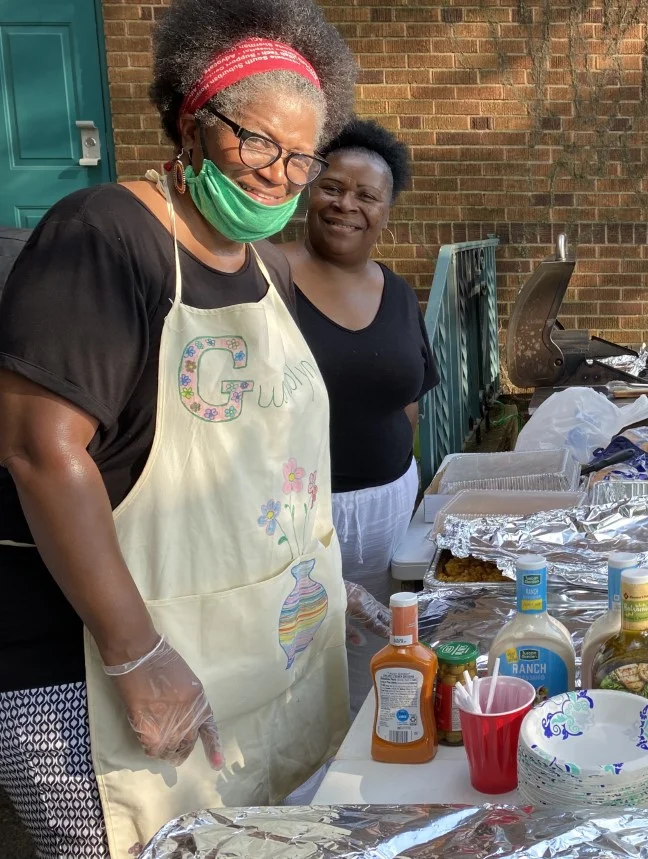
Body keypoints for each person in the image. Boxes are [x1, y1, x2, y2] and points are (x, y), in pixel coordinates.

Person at [0, 2, 363, 857]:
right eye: (258, 142)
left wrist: (325, 581)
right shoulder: (102, 237)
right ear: (193, 123)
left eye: (302, 157)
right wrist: (135, 654)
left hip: (250, 659)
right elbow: (40, 450)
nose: (279, 176)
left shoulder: (268, 267)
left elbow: (267, 462)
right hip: (96, 668)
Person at [281, 119, 439, 716]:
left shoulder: (398, 294)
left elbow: (409, 399)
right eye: (333, 187)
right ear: (308, 190)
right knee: (292, 665)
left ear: (386, 213)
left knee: (371, 660)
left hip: (388, 515)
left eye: (367, 195)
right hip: (296, 522)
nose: (346, 204)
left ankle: (358, 757)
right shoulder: (266, 279)